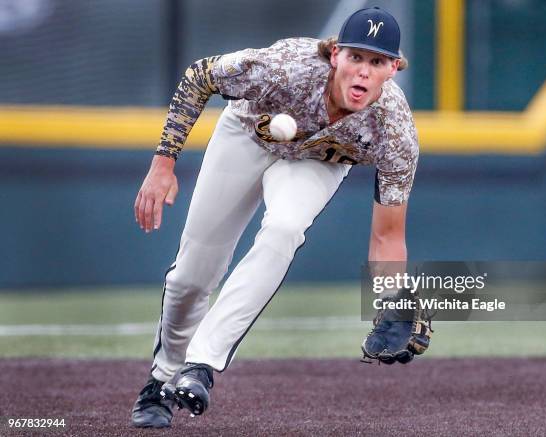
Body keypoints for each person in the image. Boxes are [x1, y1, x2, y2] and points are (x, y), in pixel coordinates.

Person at [131, 6, 419, 428]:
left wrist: (390, 298)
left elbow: (388, 236)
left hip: (316, 163)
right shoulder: (285, 67)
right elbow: (199, 75)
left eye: (376, 61)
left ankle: (201, 366)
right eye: (355, 56)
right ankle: (161, 379)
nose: (363, 71)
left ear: (393, 68)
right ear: (336, 54)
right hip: (248, 133)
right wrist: (163, 163)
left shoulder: (394, 131)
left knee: (284, 228)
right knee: (193, 275)